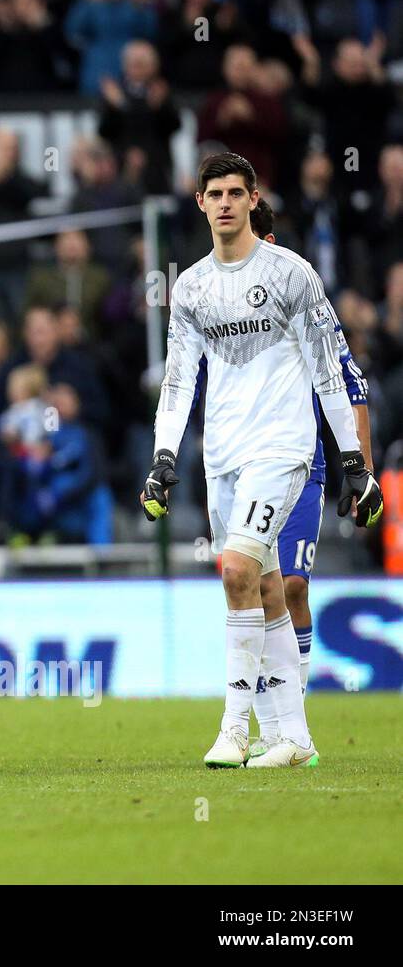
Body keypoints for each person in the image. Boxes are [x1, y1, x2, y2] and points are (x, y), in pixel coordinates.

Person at [143, 152, 382, 770]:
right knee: (267, 587)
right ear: (199, 203)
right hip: (222, 455)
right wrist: (164, 455)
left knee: (236, 572)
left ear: (253, 199)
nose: (224, 202)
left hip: (282, 449)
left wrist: (355, 463)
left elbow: (330, 370)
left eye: (234, 192)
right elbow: (177, 380)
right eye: (213, 193)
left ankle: (233, 728)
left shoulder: (291, 273)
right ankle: (293, 739)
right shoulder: (191, 286)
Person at [190, 198, 373, 760]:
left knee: (290, 585)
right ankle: (284, 730)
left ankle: (288, 718)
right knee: (260, 583)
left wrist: (358, 468)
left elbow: (350, 391)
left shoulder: (298, 292)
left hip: (301, 463)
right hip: (240, 462)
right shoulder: (220, 303)